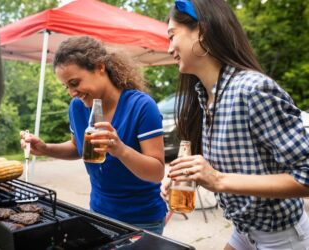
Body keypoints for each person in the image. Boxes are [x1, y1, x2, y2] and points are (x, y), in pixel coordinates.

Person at [161, 0, 309, 249]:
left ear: (202, 32)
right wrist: (192, 176)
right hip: (244, 231)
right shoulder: (204, 97)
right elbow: (233, 168)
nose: (168, 49)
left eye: (172, 36)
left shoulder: (252, 89)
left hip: (283, 237)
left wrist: (218, 180)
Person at [20, 36, 167, 235]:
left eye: (75, 82)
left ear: (99, 67)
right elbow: (77, 148)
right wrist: (46, 148)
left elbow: (156, 172)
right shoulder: (78, 107)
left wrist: (121, 150)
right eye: (67, 87)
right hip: (99, 213)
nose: (72, 93)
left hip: (142, 220)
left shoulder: (141, 106)